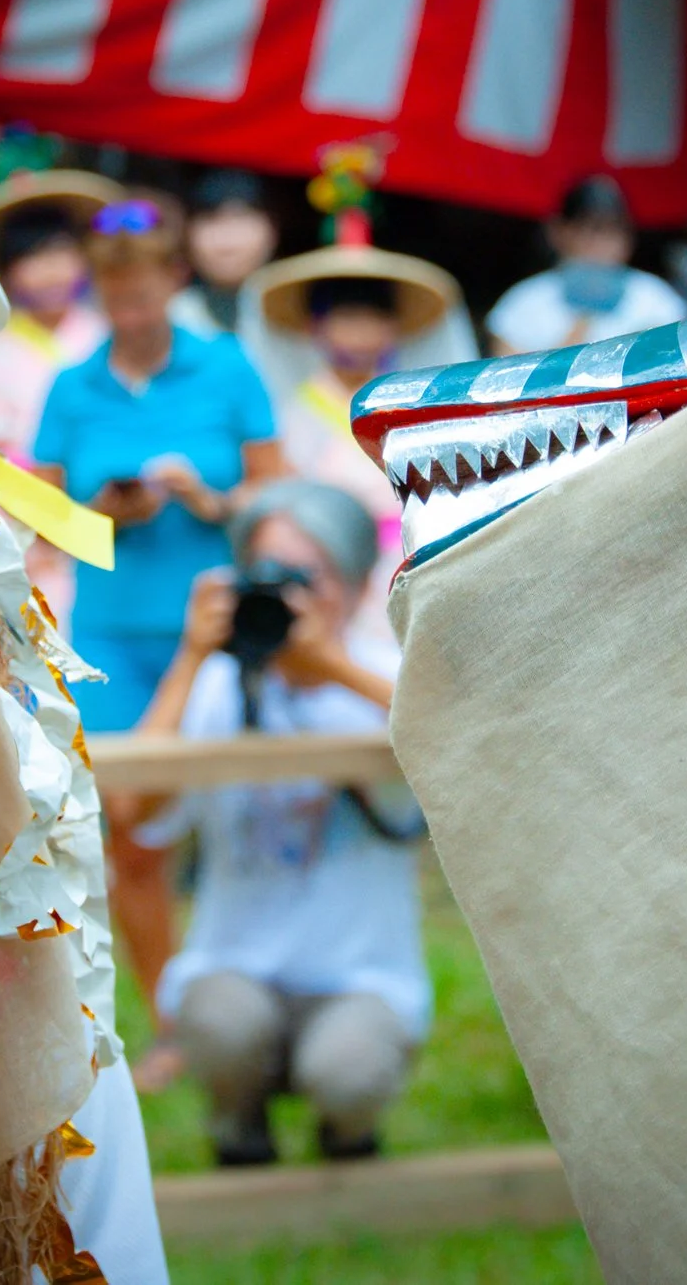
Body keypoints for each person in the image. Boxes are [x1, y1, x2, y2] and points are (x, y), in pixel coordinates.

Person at [31, 193, 286, 1052]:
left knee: (242, 830)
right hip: (109, 634)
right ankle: (174, 1024)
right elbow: (45, 524)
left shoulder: (227, 368)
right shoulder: (73, 386)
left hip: (217, 632)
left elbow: (278, 498)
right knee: (133, 835)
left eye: (144, 296)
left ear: (175, 281)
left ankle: (263, 1007)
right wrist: (100, 511)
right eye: (115, 299)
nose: (131, 314)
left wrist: (215, 501)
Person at [119, 481, 427, 1168]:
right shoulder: (217, 686)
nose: (285, 597)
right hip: (235, 969)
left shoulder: (392, 680)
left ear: (351, 584)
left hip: (361, 977)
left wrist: (331, 669)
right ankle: (239, 1131)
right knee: (218, 1023)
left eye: (305, 577)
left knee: (349, 1071)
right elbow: (134, 813)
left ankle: (348, 1137)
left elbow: (461, 747)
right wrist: (193, 654)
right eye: (265, 576)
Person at [237, 245, 475, 620]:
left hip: (408, 563)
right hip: (326, 571)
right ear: (315, 326)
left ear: (393, 326)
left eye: (374, 318)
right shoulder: (293, 414)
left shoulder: (411, 405)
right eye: (347, 317)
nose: (362, 331)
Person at [0, 169, 122, 467]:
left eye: (61, 253)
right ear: (6, 272)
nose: (50, 271)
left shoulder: (108, 330)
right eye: (31, 258)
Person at [484, 175, 687, 355]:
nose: (600, 246)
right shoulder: (521, 302)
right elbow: (508, 386)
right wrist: (582, 322)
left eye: (611, 232)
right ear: (559, 232)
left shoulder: (657, 299)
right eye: (589, 231)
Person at [172, 169, 281, 337]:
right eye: (210, 219)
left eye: (241, 218)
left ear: (273, 230)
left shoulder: (300, 317)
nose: (226, 243)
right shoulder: (169, 316)